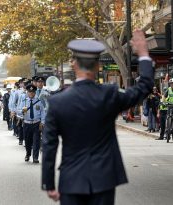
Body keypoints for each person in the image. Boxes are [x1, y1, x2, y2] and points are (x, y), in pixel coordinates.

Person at [42, 30, 153, 205]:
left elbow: (49, 145)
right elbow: (144, 87)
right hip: (104, 179)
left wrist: (49, 183)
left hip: (71, 180)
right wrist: (144, 54)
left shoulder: (57, 102)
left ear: (74, 64)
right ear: (97, 66)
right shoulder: (109, 94)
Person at [17, 84, 46, 163]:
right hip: (27, 123)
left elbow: (43, 112)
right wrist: (22, 111)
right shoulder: (24, 101)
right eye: (29, 92)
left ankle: (35, 157)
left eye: (32, 92)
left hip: (36, 123)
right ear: (27, 92)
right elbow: (18, 111)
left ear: (35, 92)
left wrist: (42, 122)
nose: (31, 94)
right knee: (27, 140)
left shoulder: (39, 102)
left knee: (36, 141)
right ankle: (28, 154)